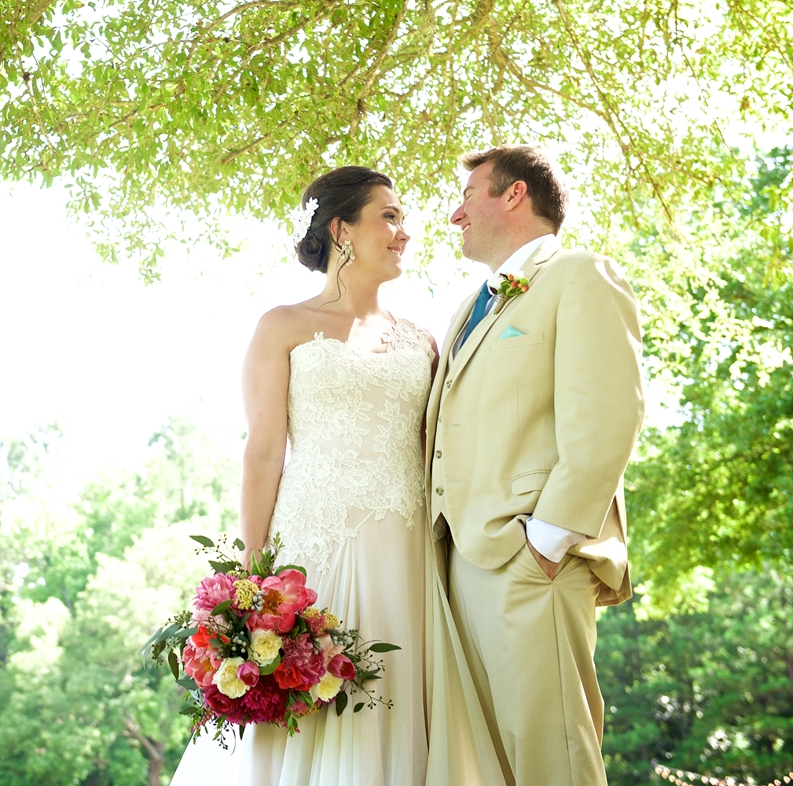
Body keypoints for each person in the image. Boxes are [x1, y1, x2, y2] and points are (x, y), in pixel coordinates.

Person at [171, 165, 435, 786]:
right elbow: (264, 453)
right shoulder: (283, 325)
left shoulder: (423, 342)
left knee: (394, 700)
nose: (404, 231)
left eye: (404, 219)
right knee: (304, 710)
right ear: (342, 229)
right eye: (389, 217)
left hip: (407, 551)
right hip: (310, 552)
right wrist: (253, 577)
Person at [423, 145, 645, 785]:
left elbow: (608, 416)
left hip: (532, 559)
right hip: (462, 557)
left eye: (469, 196)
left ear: (514, 195)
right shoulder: (469, 306)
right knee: (496, 764)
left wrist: (546, 540)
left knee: (554, 759)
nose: (455, 215)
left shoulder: (580, 275)